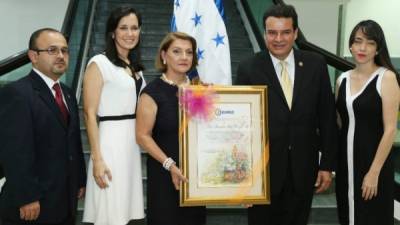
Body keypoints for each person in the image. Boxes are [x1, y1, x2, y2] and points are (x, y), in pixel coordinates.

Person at [236, 4, 338, 225]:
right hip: (262, 174)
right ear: (264, 34)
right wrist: (244, 178)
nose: (278, 39)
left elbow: (327, 118)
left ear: (295, 33)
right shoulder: (248, 67)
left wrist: (327, 165)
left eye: (285, 32)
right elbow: (241, 126)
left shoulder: (315, 65)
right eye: (272, 32)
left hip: (303, 169)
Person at [0, 28, 86, 225]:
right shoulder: (17, 93)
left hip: (64, 200)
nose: (60, 56)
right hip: (32, 205)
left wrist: (79, 179)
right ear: (33, 56)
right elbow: (15, 152)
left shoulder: (67, 93)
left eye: (64, 51)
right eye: (52, 50)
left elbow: (72, 141)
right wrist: (27, 196)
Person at [82, 6, 145, 225]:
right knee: (110, 211)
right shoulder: (99, 63)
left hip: (131, 143)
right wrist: (97, 159)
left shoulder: (136, 67)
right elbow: (89, 114)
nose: (130, 33)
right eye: (124, 28)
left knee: (124, 211)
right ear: (112, 32)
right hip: (110, 143)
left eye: (135, 28)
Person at [136, 32, 206, 225]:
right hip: (165, 175)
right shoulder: (151, 92)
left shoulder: (200, 91)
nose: (184, 57)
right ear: (164, 56)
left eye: (189, 52)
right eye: (177, 51)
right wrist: (170, 165)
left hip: (196, 178)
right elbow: (142, 136)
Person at [335, 20, 400, 225]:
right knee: (347, 216)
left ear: (378, 48)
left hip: (374, 165)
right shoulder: (341, 80)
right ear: (350, 45)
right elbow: (340, 123)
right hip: (346, 164)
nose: (363, 48)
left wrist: (374, 172)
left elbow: (390, 130)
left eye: (370, 43)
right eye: (358, 41)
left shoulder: (387, 78)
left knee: (373, 218)